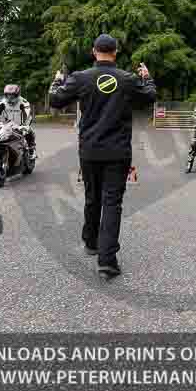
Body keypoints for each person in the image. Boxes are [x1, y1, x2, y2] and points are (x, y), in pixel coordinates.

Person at [49, 34, 156, 278]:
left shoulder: (81, 78)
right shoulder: (126, 79)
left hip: (90, 151)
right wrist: (146, 76)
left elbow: (55, 100)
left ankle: (91, 243)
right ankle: (107, 261)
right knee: (112, 203)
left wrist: (57, 81)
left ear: (93, 51)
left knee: (92, 197)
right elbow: (149, 96)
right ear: (115, 52)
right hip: (117, 152)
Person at [0, 84, 36, 160]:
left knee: (29, 131)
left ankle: (31, 149)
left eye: (12, 95)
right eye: (8, 95)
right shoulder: (2, 102)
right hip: (7, 124)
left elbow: (27, 114)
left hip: (21, 123)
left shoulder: (24, 102)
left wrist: (24, 125)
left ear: (17, 95)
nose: (10, 98)